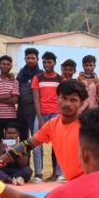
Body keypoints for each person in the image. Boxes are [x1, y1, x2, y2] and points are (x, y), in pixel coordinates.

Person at [30, 51, 63, 182]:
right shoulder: (37, 78)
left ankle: (60, 174)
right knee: (36, 144)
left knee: (59, 144)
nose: (46, 64)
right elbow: (36, 100)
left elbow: (62, 99)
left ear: (54, 63)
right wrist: (40, 119)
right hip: (41, 115)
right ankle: (38, 174)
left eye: (49, 62)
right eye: (44, 62)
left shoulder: (61, 79)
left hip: (56, 114)